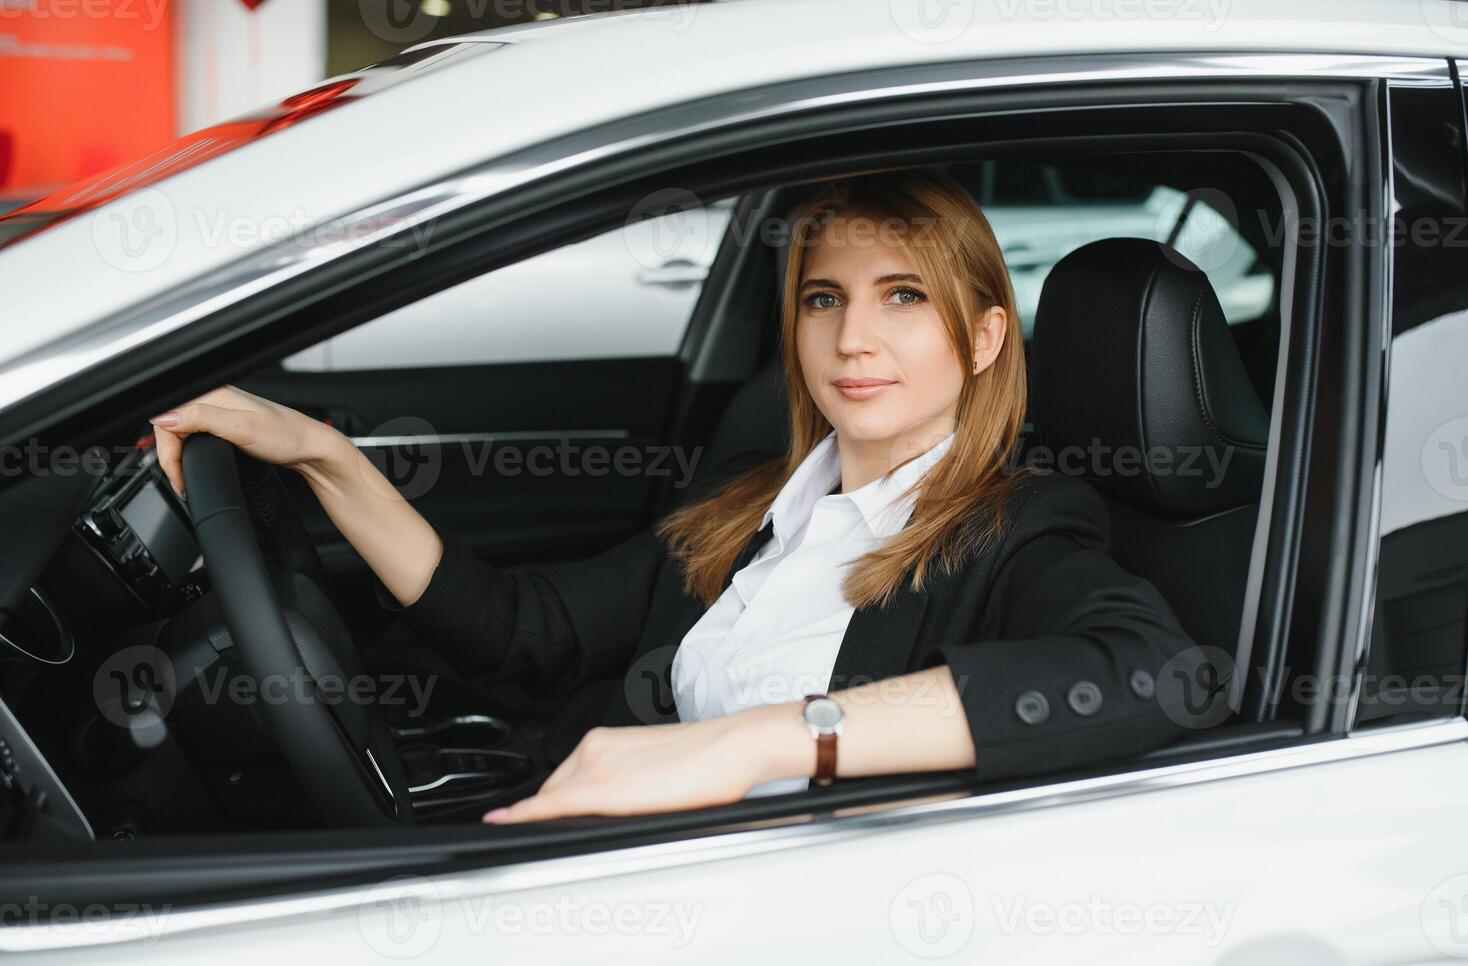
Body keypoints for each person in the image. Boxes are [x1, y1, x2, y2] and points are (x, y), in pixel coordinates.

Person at [148, 168, 1196, 826]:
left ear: (981, 341)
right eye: (824, 299)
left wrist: (752, 739)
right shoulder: (753, 509)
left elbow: (1144, 673)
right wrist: (319, 456)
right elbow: (523, 630)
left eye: (903, 298)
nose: (851, 339)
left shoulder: (1017, 523)